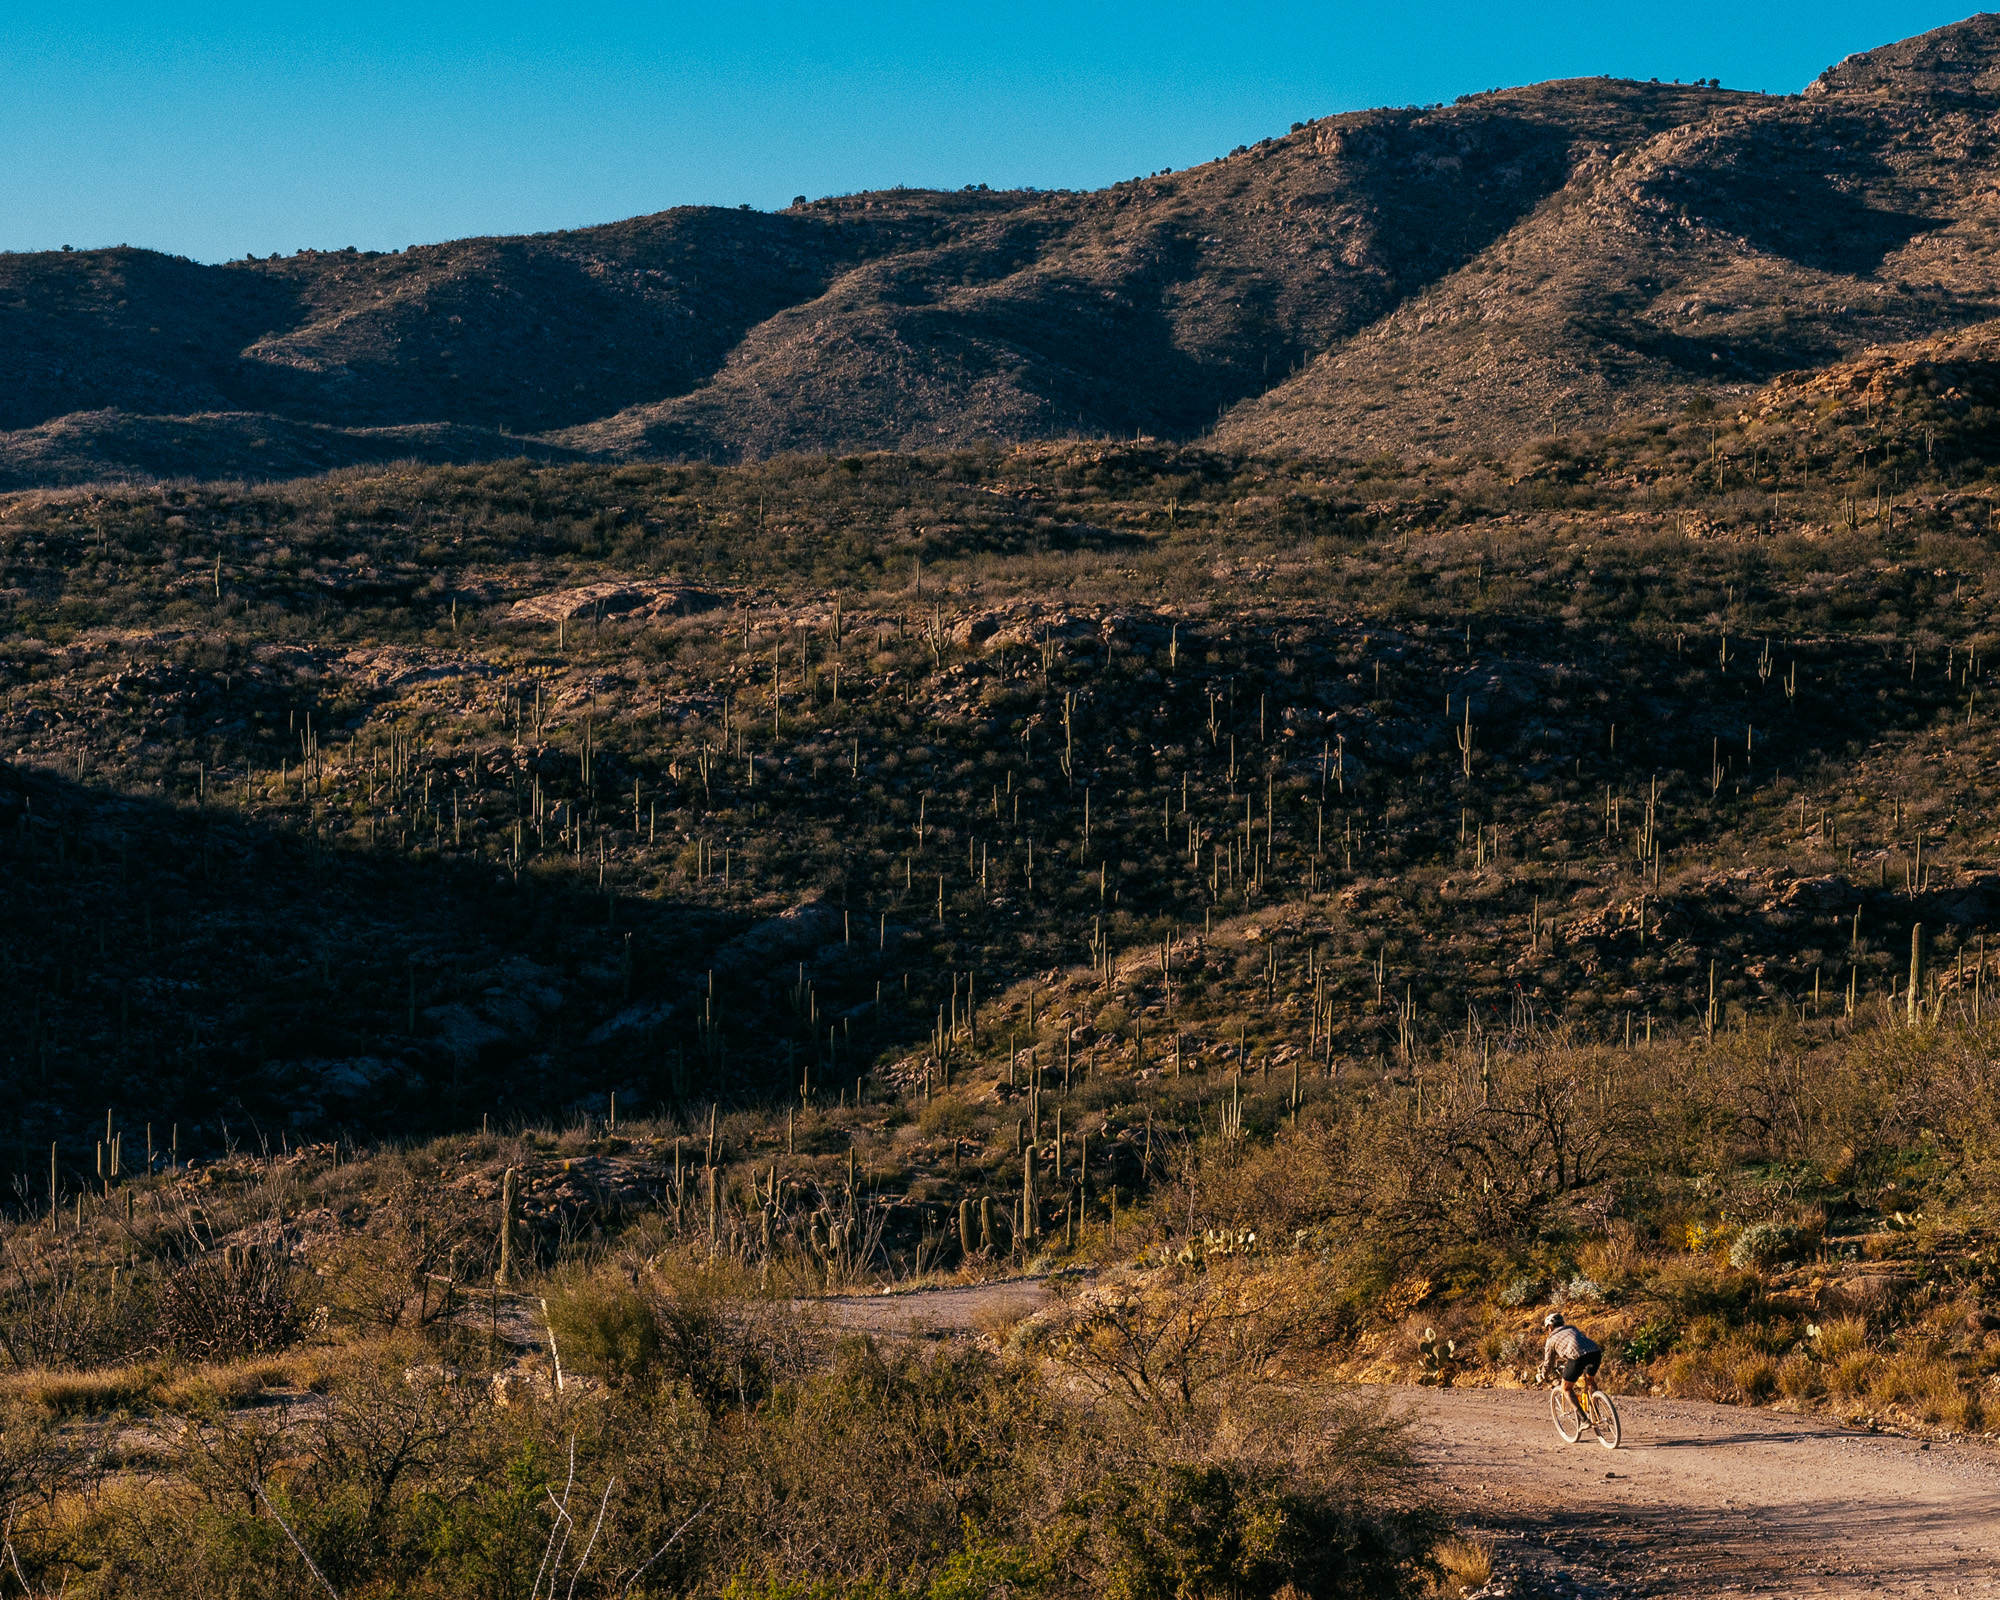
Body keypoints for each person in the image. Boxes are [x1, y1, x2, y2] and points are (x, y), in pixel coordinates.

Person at [1535, 1310, 1603, 1421]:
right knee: (1590, 1380)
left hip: (1577, 1357)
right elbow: (1578, 1343)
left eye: (1547, 1328)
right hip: (1595, 1352)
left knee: (1566, 1389)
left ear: (1550, 1327)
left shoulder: (1551, 1339)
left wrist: (1543, 1376)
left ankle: (1585, 1421)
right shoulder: (1572, 1328)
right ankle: (1596, 1411)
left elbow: (1548, 1363)